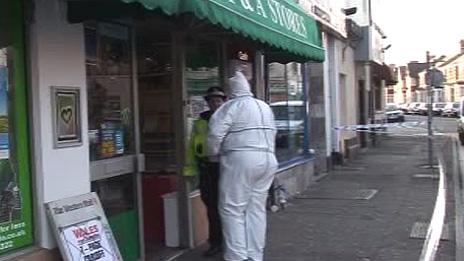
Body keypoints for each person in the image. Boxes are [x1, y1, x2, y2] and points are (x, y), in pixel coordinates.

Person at [207, 71, 278, 261]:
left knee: (232, 208)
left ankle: (237, 256)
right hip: (268, 160)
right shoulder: (264, 106)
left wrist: (212, 153)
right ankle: (255, 255)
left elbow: (215, 134)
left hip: (241, 159)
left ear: (231, 92)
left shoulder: (231, 106)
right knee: (256, 209)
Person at [184, 87, 227, 257]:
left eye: (218, 100)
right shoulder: (200, 121)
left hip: (226, 170)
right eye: (211, 101)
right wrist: (189, 170)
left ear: (224, 102)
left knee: (228, 208)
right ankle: (215, 243)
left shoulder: (229, 119)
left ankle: (232, 242)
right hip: (207, 169)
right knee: (211, 208)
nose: (215, 104)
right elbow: (192, 148)